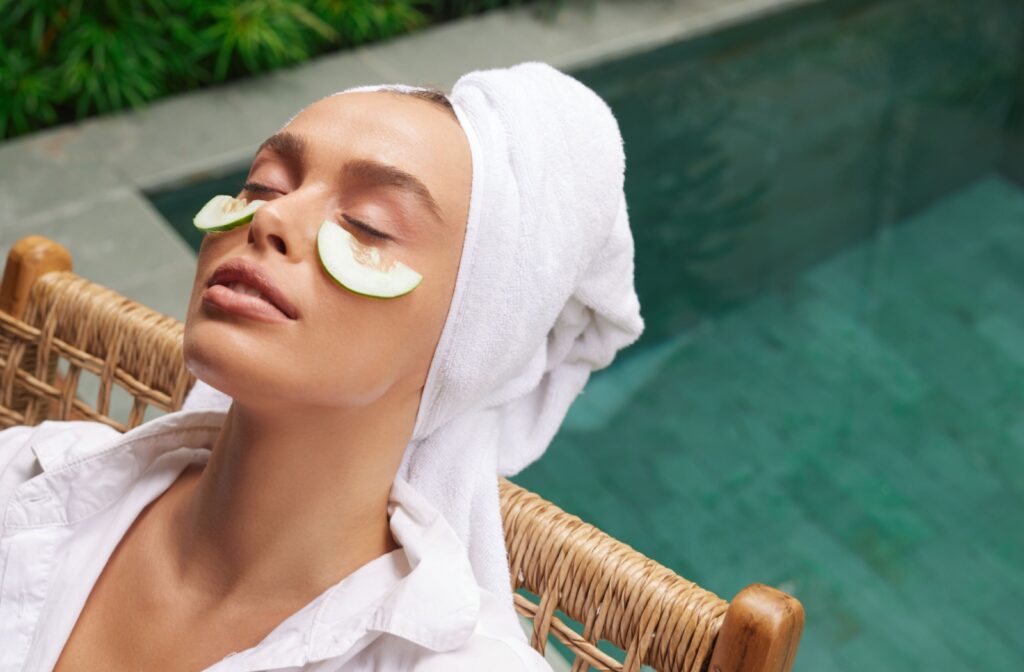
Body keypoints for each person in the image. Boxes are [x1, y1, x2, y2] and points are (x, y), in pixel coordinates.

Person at [0, 60, 644, 670]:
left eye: (367, 225)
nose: (271, 216)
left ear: (468, 339)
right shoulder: (27, 477)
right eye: (262, 185)